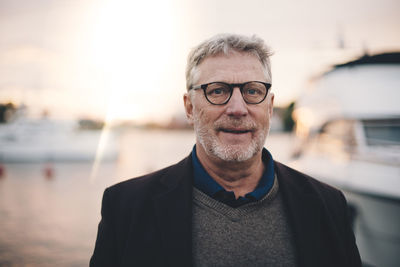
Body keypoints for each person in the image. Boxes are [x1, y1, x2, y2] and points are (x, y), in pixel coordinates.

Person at [90, 33, 361, 267]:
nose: (237, 109)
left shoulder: (328, 205)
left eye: (253, 91)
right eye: (217, 91)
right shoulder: (125, 207)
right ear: (190, 108)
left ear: (269, 106)